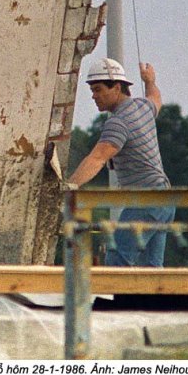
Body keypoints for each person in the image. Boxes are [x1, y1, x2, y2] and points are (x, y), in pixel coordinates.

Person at [66, 57, 174, 267]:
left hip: (146, 201)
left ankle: (120, 301)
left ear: (116, 87)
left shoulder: (118, 123)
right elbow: (156, 98)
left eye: (98, 89)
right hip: (166, 199)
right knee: (152, 270)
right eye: (92, 91)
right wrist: (150, 81)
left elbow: (97, 158)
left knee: (117, 262)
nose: (94, 96)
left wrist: (69, 187)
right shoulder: (143, 106)